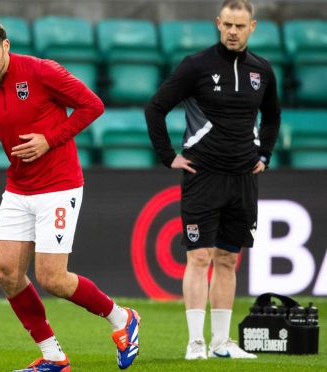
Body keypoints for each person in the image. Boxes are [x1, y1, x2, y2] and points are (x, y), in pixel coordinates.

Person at [0, 19, 140, 371]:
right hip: (18, 188)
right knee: (7, 273)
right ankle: (54, 357)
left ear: (5, 46)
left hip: (59, 185)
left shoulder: (40, 71)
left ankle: (123, 318)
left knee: (52, 278)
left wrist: (49, 140)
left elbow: (92, 105)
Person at [145, 0, 280, 360]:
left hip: (243, 178)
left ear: (253, 27)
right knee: (199, 256)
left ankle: (221, 343)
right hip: (202, 175)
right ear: (218, 24)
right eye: (228, 25)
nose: (233, 32)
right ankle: (195, 343)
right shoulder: (196, 66)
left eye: (241, 26)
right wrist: (167, 156)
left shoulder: (262, 71)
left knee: (227, 260)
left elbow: (272, 116)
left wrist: (264, 154)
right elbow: (156, 107)